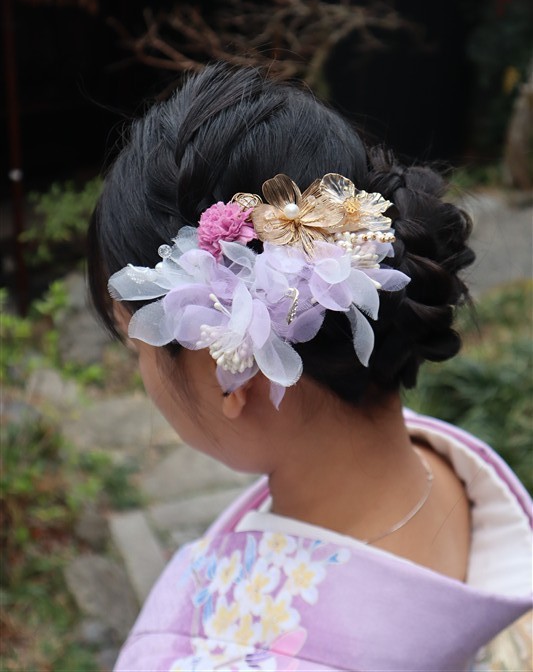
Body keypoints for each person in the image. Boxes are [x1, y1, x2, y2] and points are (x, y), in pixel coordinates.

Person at [88, 64, 532, 672]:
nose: (141, 368)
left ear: (230, 364)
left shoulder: (194, 651)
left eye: (134, 341)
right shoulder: (459, 474)